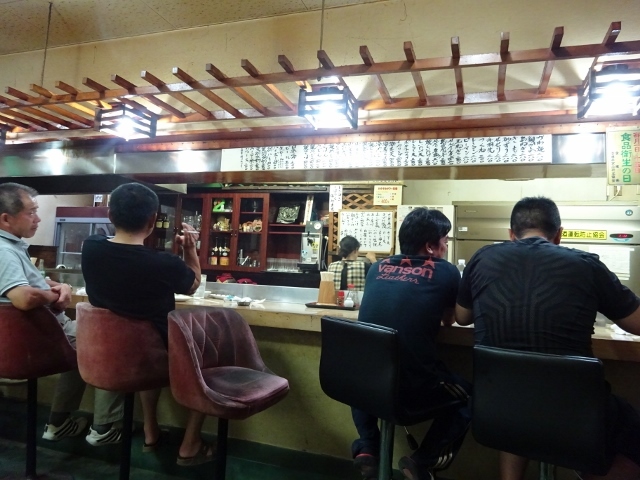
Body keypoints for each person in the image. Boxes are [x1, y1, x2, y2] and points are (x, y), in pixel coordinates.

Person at [455, 196, 640, 480]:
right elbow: (636, 323)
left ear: (511, 234)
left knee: (520, 400)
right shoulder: (586, 264)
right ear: (559, 234)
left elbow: (462, 317)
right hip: (573, 416)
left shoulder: (482, 257)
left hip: (496, 408)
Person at [81, 182, 213, 466]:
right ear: (153, 219)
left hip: (106, 355)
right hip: (154, 358)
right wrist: (190, 249)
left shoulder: (91, 247)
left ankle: (151, 431)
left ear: (110, 215)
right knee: (208, 359)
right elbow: (192, 285)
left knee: (145, 350)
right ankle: (190, 444)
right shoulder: (163, 263)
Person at [0, 182, 124, 445]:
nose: (38, 218)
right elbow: (23, 297)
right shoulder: (4, 250)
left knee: (81, 342)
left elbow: (29, 283)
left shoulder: (12, 247)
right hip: (34, 344)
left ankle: (59, 422)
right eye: (31, 212)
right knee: (111, 342)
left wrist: (60, 286)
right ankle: (104, 428)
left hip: (36, 339)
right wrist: (54, 296)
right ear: (5, 219)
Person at [352, 208, 471, 480]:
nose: (446, 246)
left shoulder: (377, 267)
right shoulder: (447, 271)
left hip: (358, 384)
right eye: (445, 240)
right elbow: (450, 320)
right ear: (430, 246)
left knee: (366, 370)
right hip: (410, 388)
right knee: (471, 397)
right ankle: (422, 462)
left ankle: (368, 446)